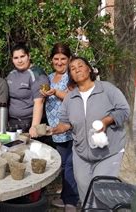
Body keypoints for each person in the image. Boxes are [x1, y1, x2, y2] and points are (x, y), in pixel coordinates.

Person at [47, 56, 130, 208]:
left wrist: (106, 121)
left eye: (80, 65)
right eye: (72, 68)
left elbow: (124, 111)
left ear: (89, 69)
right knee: (85, 191)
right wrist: (53, 130)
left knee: (101, 189)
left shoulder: (107, 89)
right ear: (70, 75)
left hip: (108, 152)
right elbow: (65, 123)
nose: (77, 69)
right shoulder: (70, 98)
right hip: (81, 154)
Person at [40, 43, 79, 210]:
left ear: (69, 59)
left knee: (71, 165)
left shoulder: (71, 77)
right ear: (51, 60)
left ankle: (71, 201)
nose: (59, 62)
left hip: (71, 128)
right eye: (56, 59)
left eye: (63, 58)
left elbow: (73, 98)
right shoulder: (48, 78)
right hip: (56, 130)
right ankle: (65, 197)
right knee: (63, 164)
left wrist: (55, 92)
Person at [6, 43, 49, 137]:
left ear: (29, 56)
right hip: (11, 123)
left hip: (28, 124)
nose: (19, 61)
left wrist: (34, 127)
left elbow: (40, 102)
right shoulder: (11, 75)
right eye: (16, 58)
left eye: (22, 56)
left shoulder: (38, 74)